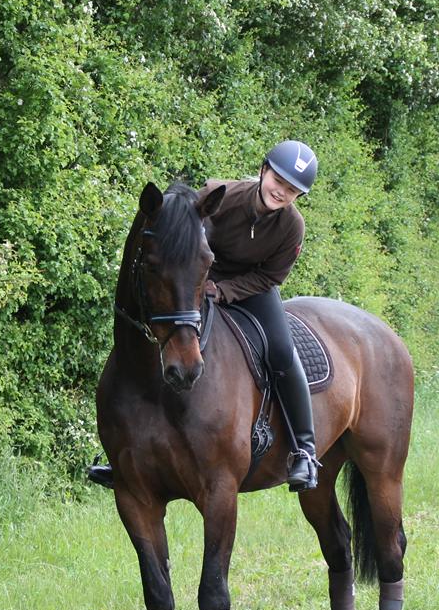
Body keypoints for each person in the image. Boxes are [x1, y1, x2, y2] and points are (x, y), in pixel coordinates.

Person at [90, 140, 321, 492]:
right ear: (263, 171)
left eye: (292, 190)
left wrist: (225, 291)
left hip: (251, 288)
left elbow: (271, 277)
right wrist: (199, 283)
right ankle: (124, 451)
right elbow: (177, 232)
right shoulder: (218, 196)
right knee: (155, 339)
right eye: (279, 180)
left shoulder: (292, 227)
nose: (281, 191)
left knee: (280, 351)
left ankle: (304, 449)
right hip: (196, 279)